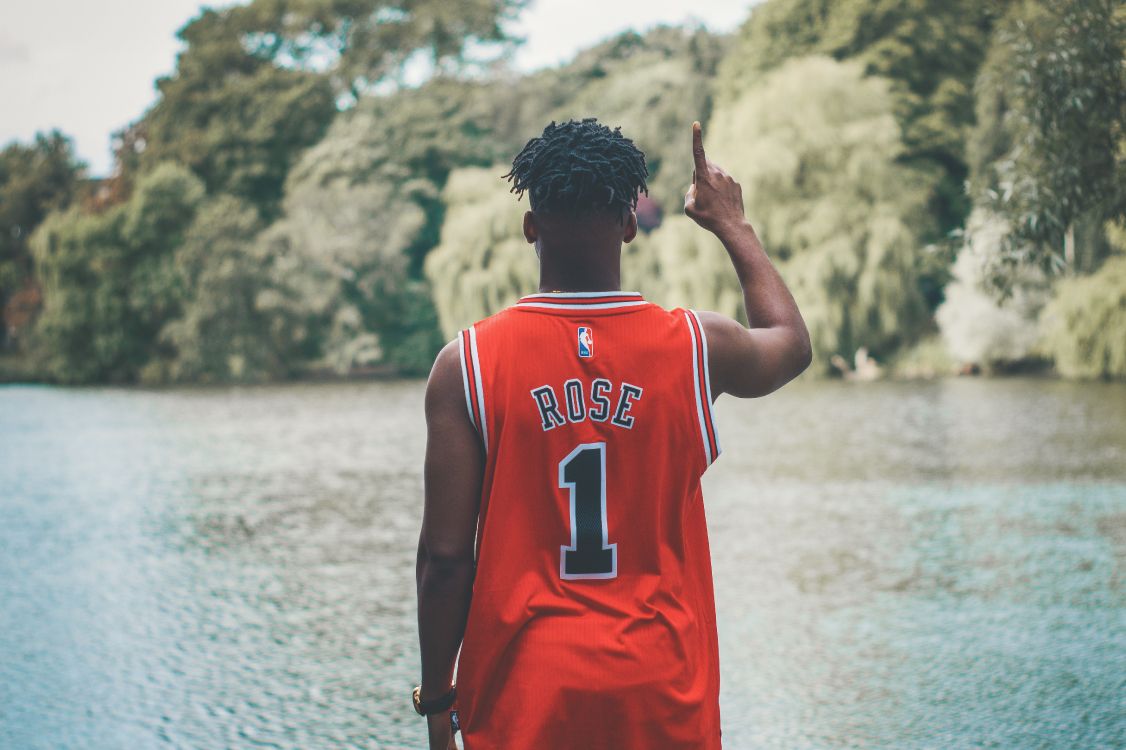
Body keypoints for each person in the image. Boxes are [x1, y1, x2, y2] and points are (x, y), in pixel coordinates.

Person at [414, 118, 811, 749]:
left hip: (525, 695)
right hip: (660, 689)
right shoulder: (692, 346)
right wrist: (732, 223)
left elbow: (445, 559)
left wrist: (437, 699)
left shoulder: (466, 365)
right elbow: (790, 345)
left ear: (530, 228)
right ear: (631, 223)